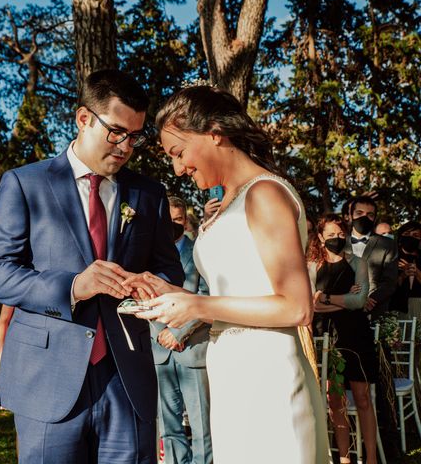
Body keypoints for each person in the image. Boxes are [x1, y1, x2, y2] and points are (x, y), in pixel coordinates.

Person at [0, 69, 184, 463]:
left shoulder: (149, 193)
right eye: (117, 132)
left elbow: (168, 271)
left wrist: (150, 285)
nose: (126, 147)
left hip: (126, 376)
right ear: (84, 118)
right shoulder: (25, 183)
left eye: (135, 136)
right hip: (47, 378)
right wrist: (73, 286)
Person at [126, 85, 330, 463]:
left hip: (268, 373)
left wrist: (196, 304)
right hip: (232, 370)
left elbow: (296, 307)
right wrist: (170, 293)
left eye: (179, 152)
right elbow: (236, 291)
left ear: (215, 132)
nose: (178, 168)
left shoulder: (263, 194)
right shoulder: (228, 203)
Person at [307, 214, 377, 464]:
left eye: (340, 235)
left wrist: (325, 298)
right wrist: (343, 300)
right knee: (334, 400)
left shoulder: (358, 263)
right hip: (328, 338)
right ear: (319, 237)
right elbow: (308, 305)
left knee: (362, 398)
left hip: (357, 337)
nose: (336, 239)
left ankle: (371, 458)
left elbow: (359, 301)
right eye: (330, 235)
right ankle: (345, 458)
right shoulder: (312, 266)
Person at [151, 196, 211, 464]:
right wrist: (160, 333)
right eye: (167, 221)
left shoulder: (200, 252)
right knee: (168, 424)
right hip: (159, 350)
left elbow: (207, 296)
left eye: (177, 220)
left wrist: (177, 332)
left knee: (201, 425)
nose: (172, 226)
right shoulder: (148, 255)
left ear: (185, 221)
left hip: (192, 347)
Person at [344, 196, 398, 318]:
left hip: (374, 311)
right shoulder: (339, 242)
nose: (364, 217)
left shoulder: (388, 244)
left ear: (374, 218)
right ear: (350, 215)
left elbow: (390, 282)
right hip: (340, 310)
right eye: (359, 213)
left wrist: (368, 300)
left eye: (370, 214)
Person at [391, 221, 421, 318]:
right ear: (400, 237)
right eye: (407, 234)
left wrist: (417, 273)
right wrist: (402, 275)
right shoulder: (391, 257)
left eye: (415, 235)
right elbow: (386, 285)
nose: (411, 237)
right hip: (396, 307)